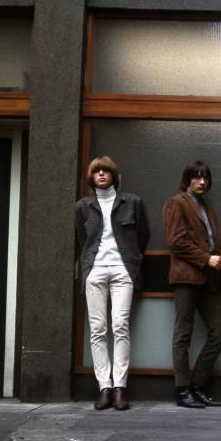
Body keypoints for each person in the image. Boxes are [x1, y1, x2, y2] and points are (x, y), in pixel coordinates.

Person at [75, 156, 150, 411]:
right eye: (97, 171)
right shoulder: (83, 206)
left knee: (120, 325)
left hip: (122, 269)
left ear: (114, 176)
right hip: (94, 271)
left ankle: (120, 387)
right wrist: (88, 266)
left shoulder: (132, 202)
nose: (102, 174)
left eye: (107, 170)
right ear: (91, 177)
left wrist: (133, 258)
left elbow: (143, 235)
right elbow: (81, 239)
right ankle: (103, 387)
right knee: (97, 329)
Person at [163, 161, 221, 408]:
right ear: (187, 180)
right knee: (183, 334)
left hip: (208, 278)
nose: (202, 182)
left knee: (219, 332)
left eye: (205, 178)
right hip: (185, 278)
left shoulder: (208, 208)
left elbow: (213, 243)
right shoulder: (177, 203)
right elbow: (176, 242)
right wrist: (207, 259)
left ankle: (196, 385)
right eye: (196, 177)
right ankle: (182, 391)